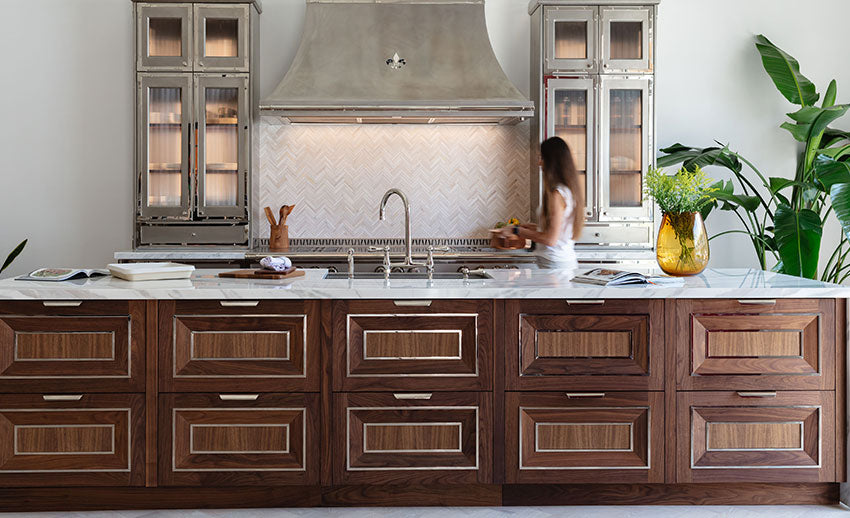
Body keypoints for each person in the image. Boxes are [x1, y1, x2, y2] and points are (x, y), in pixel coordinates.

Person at [501, 136, 585, 270]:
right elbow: (558, 230)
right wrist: (534, 227)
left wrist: (516, 230)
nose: (539, 163)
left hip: (554, 264)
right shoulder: (567, 190)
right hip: (561, 261)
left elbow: (550, 240)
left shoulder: (556, 194)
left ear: (552, 161)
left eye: (542, 158)